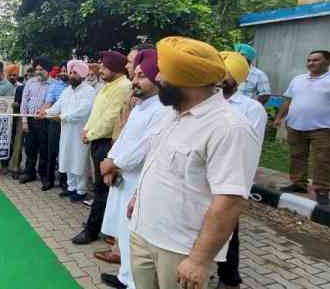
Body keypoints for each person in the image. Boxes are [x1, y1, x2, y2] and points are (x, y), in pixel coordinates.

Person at [128, 37, 260, 289]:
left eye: (164, 75)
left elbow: (230, 201)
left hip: (180, 250)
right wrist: (137, 196)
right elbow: (156, 162)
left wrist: (199, 260)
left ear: (185, 81)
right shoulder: (172, 112)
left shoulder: (229, 128)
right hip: (142, 232)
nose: (158, 80)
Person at [99, 49, 165, 289]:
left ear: (158, 78)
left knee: (133, 237)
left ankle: (134, 283)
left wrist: (113, 163)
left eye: (141, 76)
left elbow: (143, 148)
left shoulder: (162, 110)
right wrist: (110, 162)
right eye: (134, 74)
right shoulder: (141, 106)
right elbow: (125, 139)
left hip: (138, 182)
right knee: (123, 233)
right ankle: (124, 277)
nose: (134, 80)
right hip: (122, 177)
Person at [274, 50, 330, 205]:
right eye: (309, 60)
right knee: (296, 156)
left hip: (322, 128)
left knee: (322, 160)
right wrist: (279, 117)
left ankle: (322, 190)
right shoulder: (298, 79)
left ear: (327, 62)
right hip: (295, 125)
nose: (310, 63)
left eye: (316, 60)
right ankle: (299, 184)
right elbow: (287, 100)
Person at [215, 51, 267, 289]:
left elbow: (248, 149)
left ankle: (229, 278)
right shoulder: (208, 101)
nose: (220, 77)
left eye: (226, 73)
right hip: (203, 176)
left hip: (230, 179)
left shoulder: (252, 109)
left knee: (227, 229)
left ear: (238, 77)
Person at [72, 51, 131, 245]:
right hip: (97, 139)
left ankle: (92, 230)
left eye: (105, 67)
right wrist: (87, 129)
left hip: (106, 142)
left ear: (114, 68)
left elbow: (111, 118)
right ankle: (101, 224)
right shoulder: (108, 86)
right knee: (101, 187)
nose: (101, 70)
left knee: (102, 188)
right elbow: (97, 113)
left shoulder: (123, 87)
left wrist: (89, 134)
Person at [39, 60, 96, 202]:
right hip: (66, 131)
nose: (71, 75)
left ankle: (81, 190)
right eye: (70, 72)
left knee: (79, 160)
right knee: (67, 156)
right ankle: (71, 187)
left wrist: (63, 117)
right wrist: (46, 113)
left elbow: (84, 111)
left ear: (82, 75)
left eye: (74, 73)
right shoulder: (66, 91)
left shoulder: (89, 91)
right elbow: (57, 106)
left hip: (80, 132)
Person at [19, 57, 54, 187]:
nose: (38, 71)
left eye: (41, 69)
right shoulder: (30, 82)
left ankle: (43, 175)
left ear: (48, 70)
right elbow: (24, 102)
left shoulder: (54, 84)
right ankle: (29, 173)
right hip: (30, 120)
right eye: (36, 69)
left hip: (45, 121)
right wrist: (24, 121)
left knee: (44, 149)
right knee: (30, 148)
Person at [46, 64, 69, 191]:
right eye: (62, 71)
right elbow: (49, 102)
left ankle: (64, 182)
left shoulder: (74, 87)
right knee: (52, 152)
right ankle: (49, 180)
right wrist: (43, 112)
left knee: (64, 152)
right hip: (55, 122)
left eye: (67, 71)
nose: (64, 73)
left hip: (68, 123)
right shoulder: (54, 86)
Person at [5, 63, 25, 177]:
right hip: (5, 117)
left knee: (17, 141)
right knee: (7, 139)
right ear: (6, 75)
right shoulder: (3, 86)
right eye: (10, 75)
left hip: (18, 117)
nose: (12, 77)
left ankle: (15, 165)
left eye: (15, 75)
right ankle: (4, 163)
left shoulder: (22, 87)